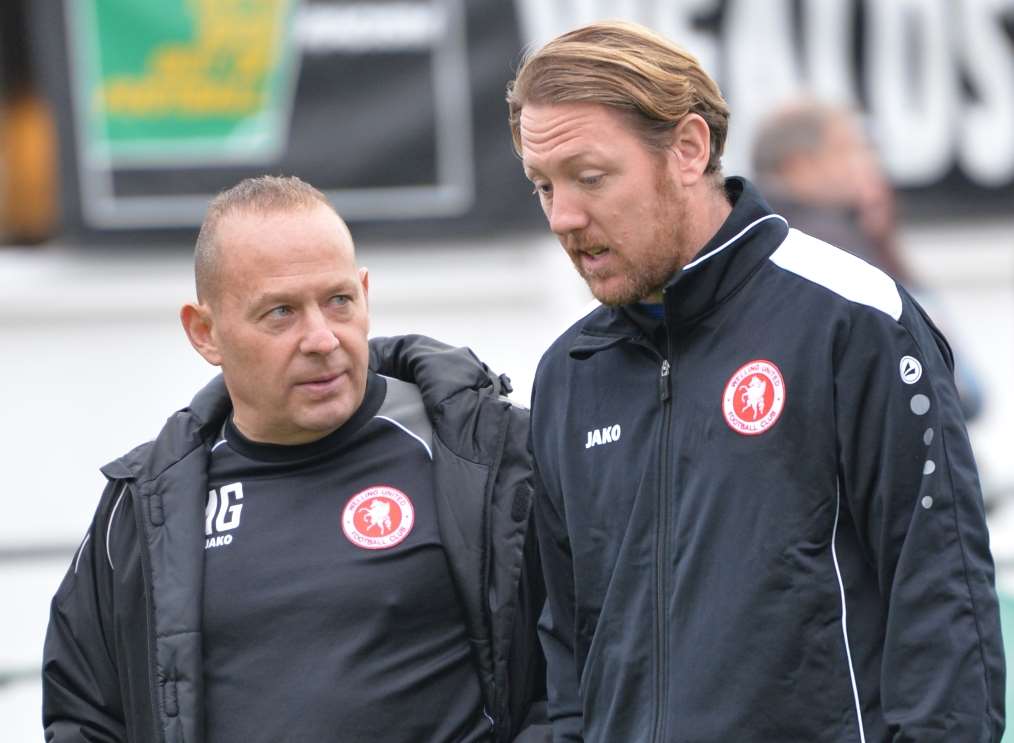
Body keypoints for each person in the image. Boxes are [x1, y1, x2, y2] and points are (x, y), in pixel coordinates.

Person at [507, 20, 1004, 742]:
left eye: (588, 177)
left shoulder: (854, 318)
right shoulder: (568, 374)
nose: (564, 217)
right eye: (542, 186)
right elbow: (567, 651)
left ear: (687, 149)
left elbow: (942, 602)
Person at [42, 176, 548, 742]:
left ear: (365, 294)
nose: (321, 338)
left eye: (338, 301)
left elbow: (571, 678)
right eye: (281, 312)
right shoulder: (143, 504)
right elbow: (83, 714)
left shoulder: (485, 456)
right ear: (204, 332)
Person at [752, 98, 985, 421]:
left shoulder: (768, 238)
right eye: (848, 149)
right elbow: (956, 386)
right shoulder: (824, 244)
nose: (867, 164)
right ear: (799, 166)